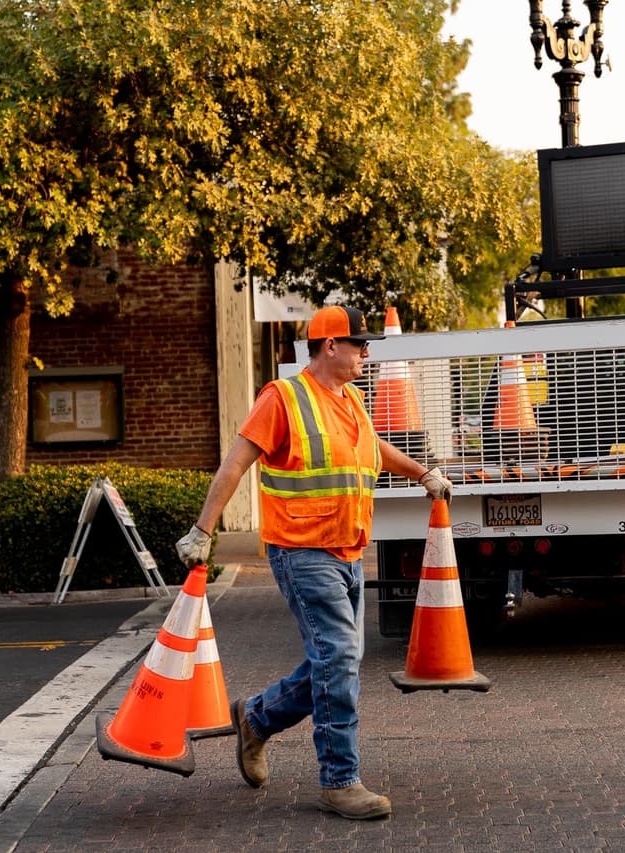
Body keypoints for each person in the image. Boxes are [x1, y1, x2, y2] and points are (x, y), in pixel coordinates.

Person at [176, 304, 451, 821]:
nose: (367, 353)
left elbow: (375, 448)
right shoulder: (282, 399)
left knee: (333, 662)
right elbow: (235, 463)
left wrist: (422, 474)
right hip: (302, 553)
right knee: (340, 659)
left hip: (348, 552)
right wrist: (202, 530)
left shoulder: (351, 400)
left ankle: (255, 719)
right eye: (359, 344)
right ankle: (339, 780)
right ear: (330, 346)